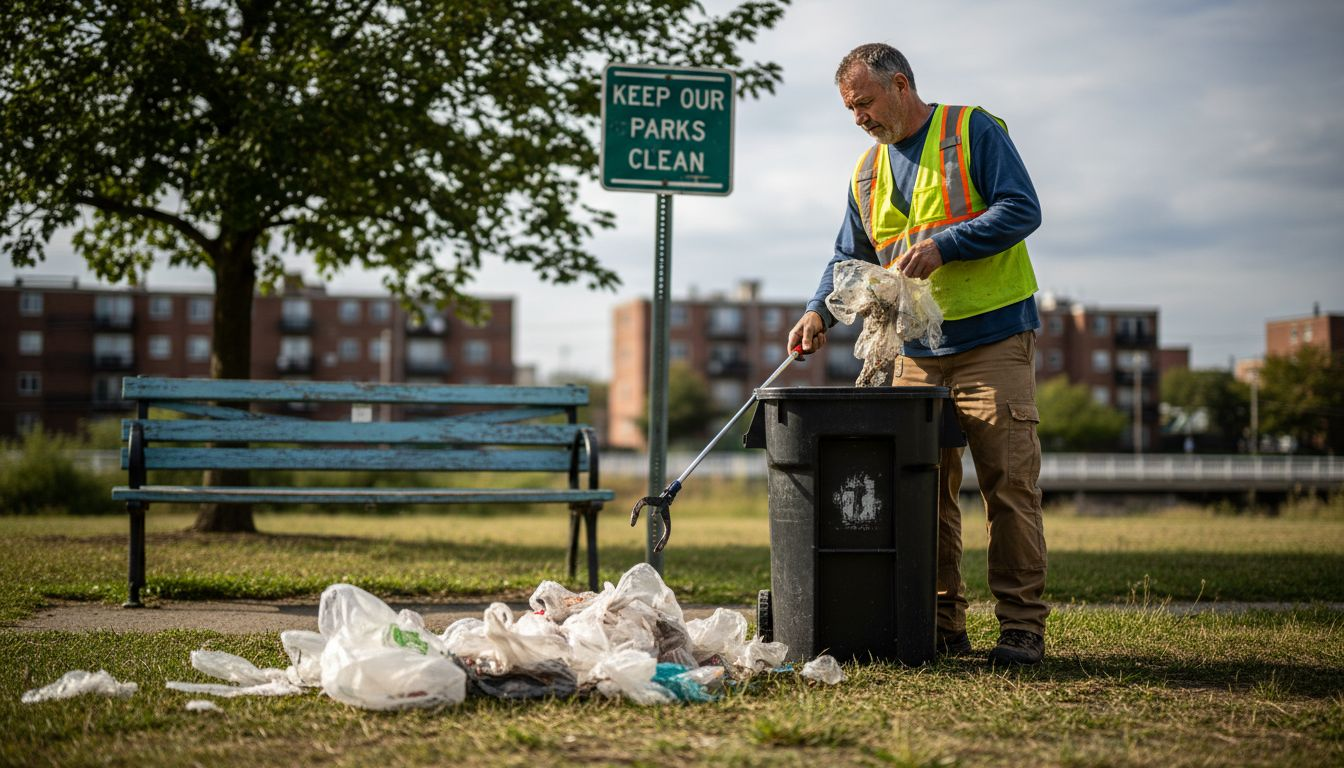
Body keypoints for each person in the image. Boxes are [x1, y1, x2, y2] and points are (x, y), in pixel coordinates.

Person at [788, 43, 1048, 665]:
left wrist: (946, 246)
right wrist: (816, 311)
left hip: (992, 341)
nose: (858, 117)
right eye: (849, 108)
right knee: (919, 493)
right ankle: (938, 623)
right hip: (913, 350)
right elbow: (847, 258)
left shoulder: (970, 130)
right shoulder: (866, 172)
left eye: (864, 102)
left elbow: (1022, 209)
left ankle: (1020, 629)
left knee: (1006, 487)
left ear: (900, 85)